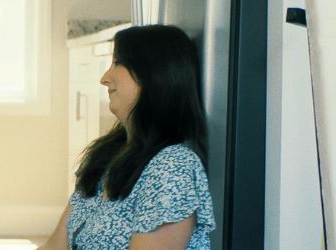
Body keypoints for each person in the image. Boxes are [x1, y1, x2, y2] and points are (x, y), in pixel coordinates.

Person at [37, 25, 215, 250]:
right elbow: (56, 246)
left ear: (152, 74)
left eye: (117, 63)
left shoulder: (172, 167)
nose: (105, 78)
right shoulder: (107, 155)